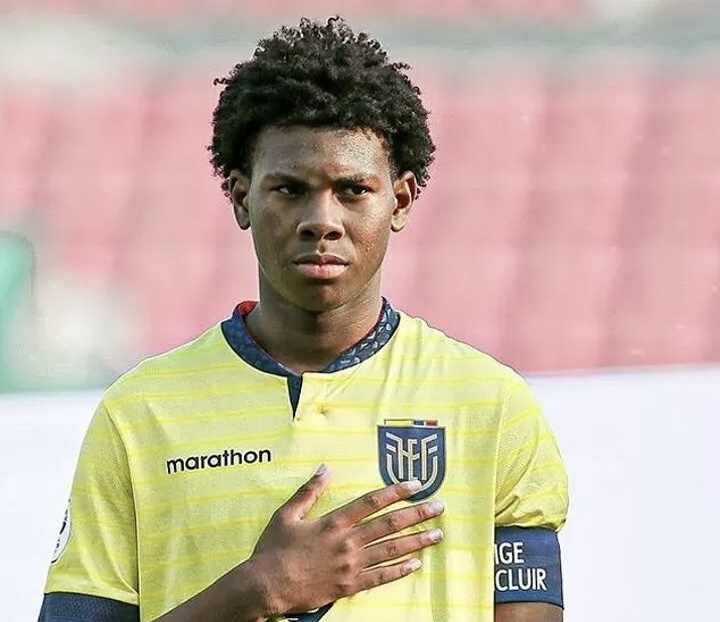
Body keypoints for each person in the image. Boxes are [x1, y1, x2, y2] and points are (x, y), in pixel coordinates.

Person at [38, 16, 569, 622]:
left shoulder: (491, 405)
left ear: (401, 199)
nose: (322, 220)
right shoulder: (139, 413)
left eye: (353, 190)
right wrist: (258, 590)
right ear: (241, 197)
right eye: (290, 189)